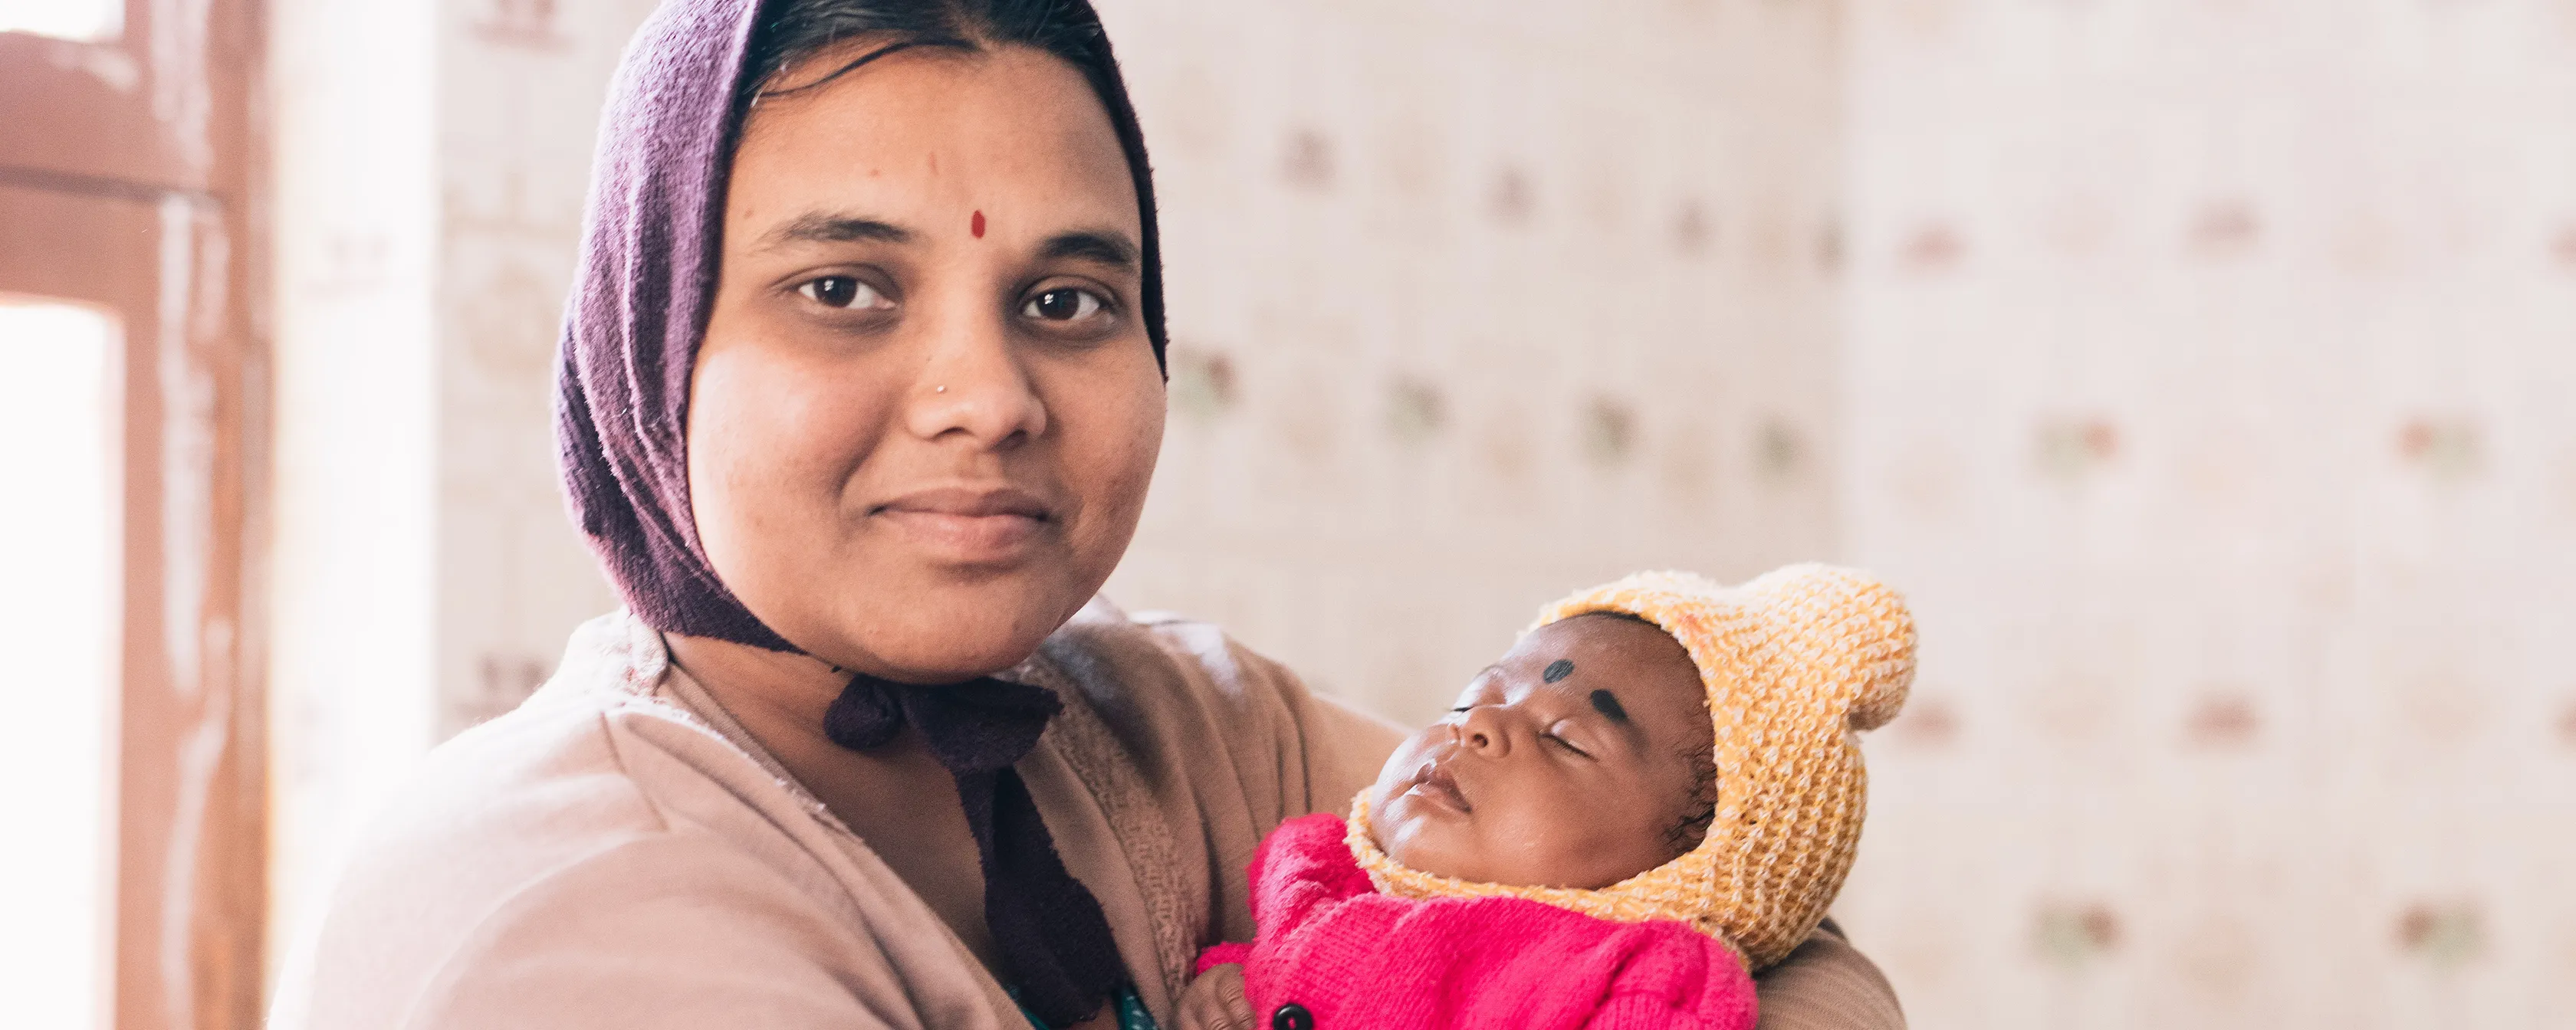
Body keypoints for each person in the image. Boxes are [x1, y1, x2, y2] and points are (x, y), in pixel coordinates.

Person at [264, 2, 1909, 1028]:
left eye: (1064, 299)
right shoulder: (577, 913)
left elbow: (1744, 906)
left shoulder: (1177, 723)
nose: (988, 396)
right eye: (844, 288)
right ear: (650, 338)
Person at [1181, 566, 1914, 1030]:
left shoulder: (1636, 977)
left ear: (1690, 871)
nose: (1482, 729)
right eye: (1471, 700)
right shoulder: (1322, 868)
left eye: (1566, 738)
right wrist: (1227, 986)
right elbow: (1275, 957)